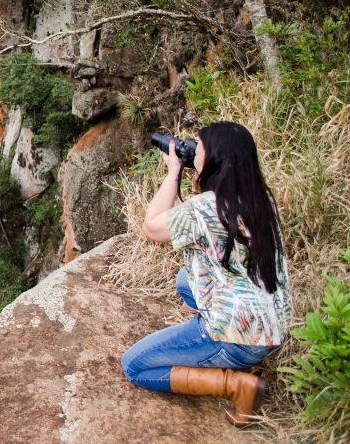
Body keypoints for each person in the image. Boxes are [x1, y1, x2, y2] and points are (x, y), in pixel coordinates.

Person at [121, 121, 292, 427]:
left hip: (239, 337)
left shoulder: (207, 209)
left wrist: (173, 172)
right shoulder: (259, 198)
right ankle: (241, 358)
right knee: (185, 281)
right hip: (271, 326)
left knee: (134, 365)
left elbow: (152, 226)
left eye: (197, 148)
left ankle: (238, 385)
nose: (191, 152)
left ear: (216, 158)